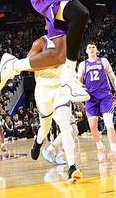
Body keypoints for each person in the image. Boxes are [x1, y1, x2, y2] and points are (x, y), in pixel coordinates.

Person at [27, 36, 82, 183]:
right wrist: (50, 59)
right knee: (45, 127)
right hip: (43, 90)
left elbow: (70, 70)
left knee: (67, 127)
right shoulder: (41, 42)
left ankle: (72, 167)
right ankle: (38, 142)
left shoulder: (68, 42)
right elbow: (28, 64)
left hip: (60, 89)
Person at [77, 43, 116, 162]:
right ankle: (100, 147)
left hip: (105, 95)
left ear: (97, 50)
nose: (92, 49)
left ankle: (113, 151)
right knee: (92, 125)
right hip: (90, 98)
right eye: (89, 47)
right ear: (86, 51)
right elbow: (78, 82)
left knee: (109, 123)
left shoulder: (103, 61)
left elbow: (113, 78)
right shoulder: (83, 64)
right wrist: (78, 98)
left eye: (93, 47)